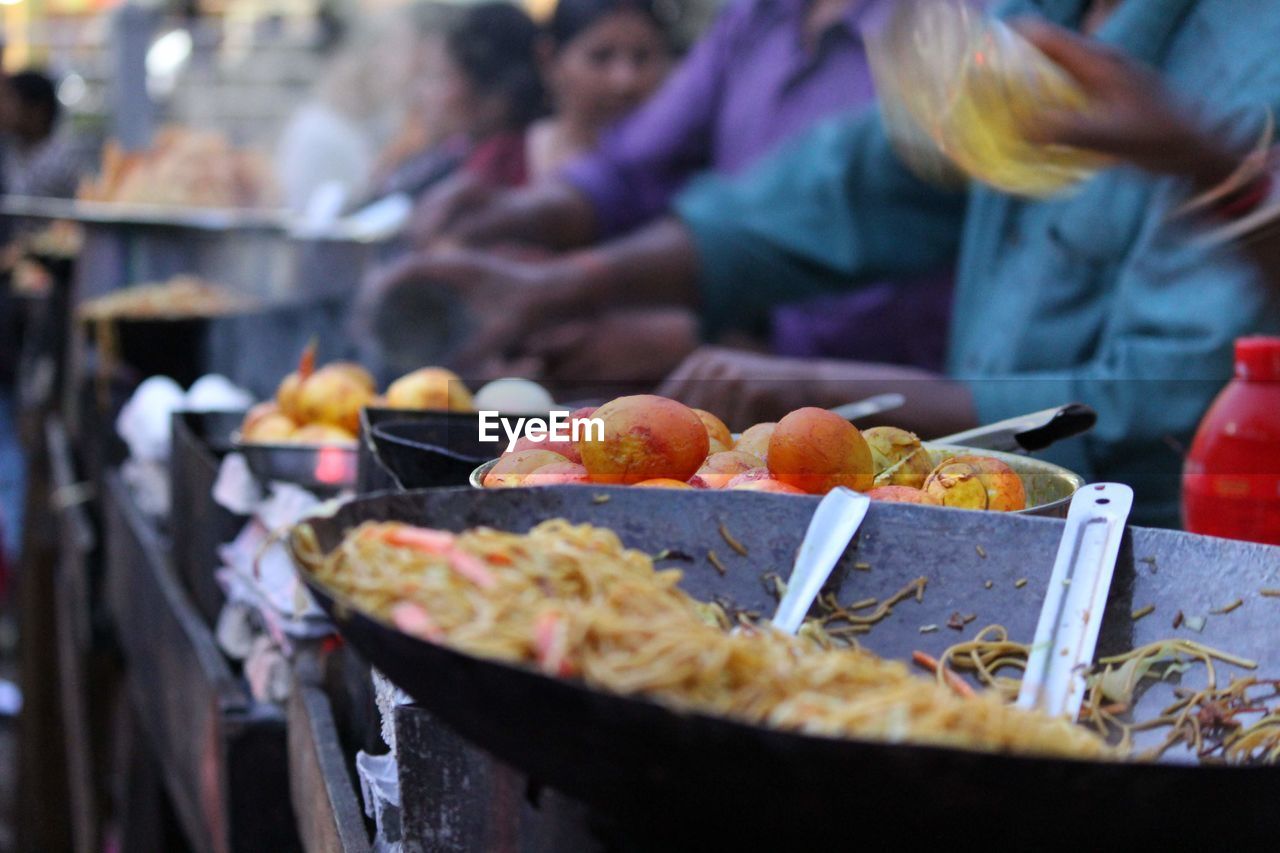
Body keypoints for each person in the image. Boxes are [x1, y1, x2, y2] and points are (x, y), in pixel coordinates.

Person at [369, 0, 1280, 527]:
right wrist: (565, 278)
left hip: (1163, 567)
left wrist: (815, 389)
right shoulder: (1027, 15)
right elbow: (853, 185)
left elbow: (1152, 401)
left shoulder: (1250, 63)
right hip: (980, 530)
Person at [1, 70, 84, 199]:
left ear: (37, 110)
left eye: (10, 99)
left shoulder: (63, 161)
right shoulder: (11, 149)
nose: (4, 108)